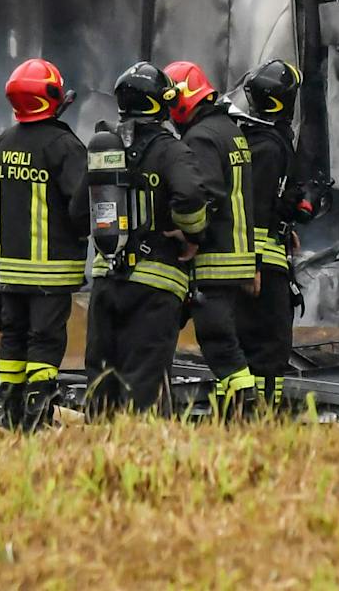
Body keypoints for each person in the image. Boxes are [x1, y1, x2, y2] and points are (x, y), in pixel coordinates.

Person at [84, 62, 208, 416]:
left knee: (102, 378)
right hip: (156, 285)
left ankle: (98, 443)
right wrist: (192, 234)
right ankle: (140, 443)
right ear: (162, 103)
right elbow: (190, 197)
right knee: (145, 380)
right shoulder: (172, 151)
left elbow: (80, 208)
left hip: (107, 280)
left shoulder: (104, 150)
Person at [0, 57, 89, 430]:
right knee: (44, 341)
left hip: (10, 271)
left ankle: (11, 414)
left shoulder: (0, 145)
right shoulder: (64, 146)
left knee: (13, 338)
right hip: (51, 271)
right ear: (53, 96)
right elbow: (82, 206)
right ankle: (37, 416)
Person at [165, 59, 261, 418]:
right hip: (237, 256)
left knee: (217, 340)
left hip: (215, 259)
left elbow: (207, 194)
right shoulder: (230, 131)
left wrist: (190, 234)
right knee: (220, 337)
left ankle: (245, 410)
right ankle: (232, 412)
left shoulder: (201, 137)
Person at [235, 58, 303, 412]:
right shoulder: (267, 147)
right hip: (261, 268)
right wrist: (253, 264)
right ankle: (260, 417)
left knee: (259, 346)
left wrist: (286, 227)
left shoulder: (260, 140)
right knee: (269, 347)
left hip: (262, 259)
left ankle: (245, 415)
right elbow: (254, 208)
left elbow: (267, 202)